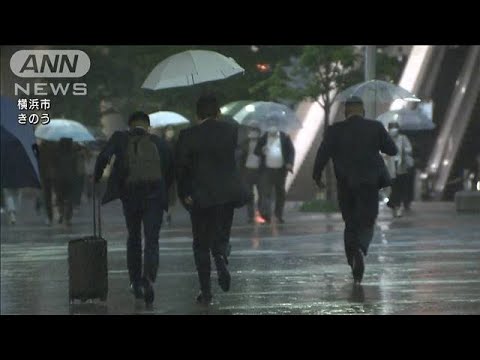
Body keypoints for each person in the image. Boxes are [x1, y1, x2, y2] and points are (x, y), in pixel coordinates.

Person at [312, 96, 397, 285]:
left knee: (350, 221)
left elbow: (322, 153)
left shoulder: (334, 130)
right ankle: (360, 248)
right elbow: (392, 150)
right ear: (363, 111)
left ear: (346, 112)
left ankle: (352, 257)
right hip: (369, 183)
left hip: (345, 183)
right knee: (367, 219)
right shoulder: (375, 127)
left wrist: (316, 176)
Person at [94, 111, 174, 306]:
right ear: (147, 125)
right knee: (152, 239)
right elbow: (171, 170)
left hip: (131, 197)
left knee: (134, 238)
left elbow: (103, 157)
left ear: (130, 125)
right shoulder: (159, 142)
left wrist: (96, 177)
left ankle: (135, 282)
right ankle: (148, 279)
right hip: (154, 197)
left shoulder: (120, 138)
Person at [176, 94, 247, 305]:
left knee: (200, 244)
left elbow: (181, 168)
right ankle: (221, 254)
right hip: (226, 194)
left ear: (197, 114)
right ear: (218, 113)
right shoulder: (230, 132)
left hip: (200, 196)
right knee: (222, 233)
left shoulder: (188, 135)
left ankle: (206, 292)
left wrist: (184, 194)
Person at [254, 116, 295, 224]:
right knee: (265, 193)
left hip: (280, 170)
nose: (272, 127)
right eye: (270, 124)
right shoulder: (263, 137)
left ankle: (278, 215)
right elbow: (256, 151)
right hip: (266, 170)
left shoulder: (284, 137)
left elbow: (291, 151)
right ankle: (265, 214)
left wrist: (289, 163)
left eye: (274, 124)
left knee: (280, 193)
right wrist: (261, 150)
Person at [384, 121, 414, 217]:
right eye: (392, 128)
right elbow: (382, 152)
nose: (394, 130)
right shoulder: (386, 139)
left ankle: (395, 206)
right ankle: (394, 206)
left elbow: (409, 149)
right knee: (394, 187)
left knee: (399, 187)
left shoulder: (403, 138)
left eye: (395, 127)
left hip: (401, 166)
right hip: (390, 167)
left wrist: (403, 150)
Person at [237, 125, 263, 224]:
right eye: (252, 131)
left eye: (255, 131)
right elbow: (239, 157)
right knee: (249, 195)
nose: (253, 133)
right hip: (247, 171)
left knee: (261, 194)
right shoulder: (244, 143)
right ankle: (251, 216)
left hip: (259, 171)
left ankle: (260, 214)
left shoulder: (262, 143)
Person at [54, 137, 77, 228]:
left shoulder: (57, 154)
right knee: (69, 199)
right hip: (70, 178)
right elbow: (75, 168)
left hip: (59, 178)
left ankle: (61, 213)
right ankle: (68, 217)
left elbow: (55, 166)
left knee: (60, 198)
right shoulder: (73, 154)